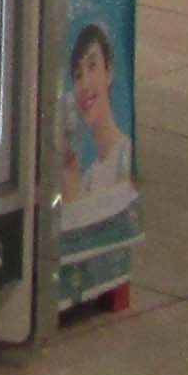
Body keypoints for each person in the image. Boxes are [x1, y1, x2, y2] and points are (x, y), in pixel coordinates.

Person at [61, 18, 137, 227]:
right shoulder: (89, 176)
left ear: (109, 72)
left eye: (92, 66)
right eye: (78, 75)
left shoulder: (126, 155)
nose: (85, 84)